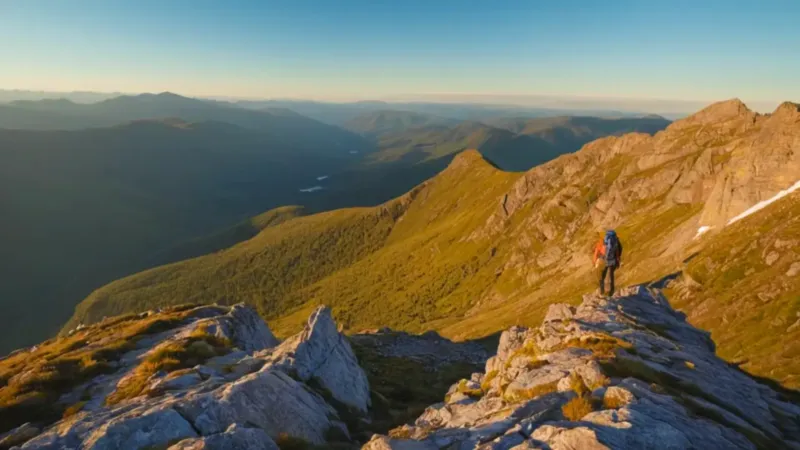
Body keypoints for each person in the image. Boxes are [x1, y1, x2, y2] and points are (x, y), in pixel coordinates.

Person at [593, 230, 623, 296]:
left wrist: (595, 261)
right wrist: (618, 261)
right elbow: (618, 252)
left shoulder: (601, 242)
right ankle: (611, 293)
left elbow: (596, 252)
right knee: (610, 276)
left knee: (600, 275)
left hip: (602, 260)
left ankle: (602, 290)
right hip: (612, 261)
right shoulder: (616, 242)